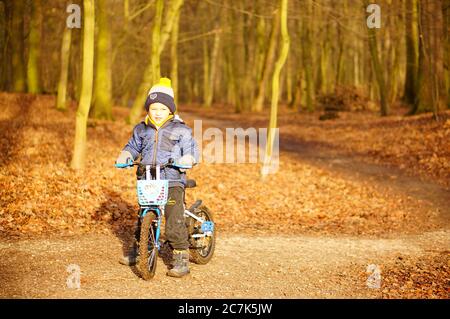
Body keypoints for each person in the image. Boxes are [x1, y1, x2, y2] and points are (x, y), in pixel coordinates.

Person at [115, 77, 199, 278]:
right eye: (153, 108)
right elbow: (133, 146)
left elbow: (191, 149)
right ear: (148, 109)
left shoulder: (181, 129)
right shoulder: (141, 129)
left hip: (171, 179)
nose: (158, 112)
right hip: (148, 179)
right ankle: (140, 249)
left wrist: (187, 158)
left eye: (162, 108)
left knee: (173, 216)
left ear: (170, 109)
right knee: (144, 214)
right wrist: (126, 155)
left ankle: (181, 257)